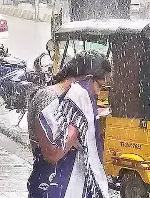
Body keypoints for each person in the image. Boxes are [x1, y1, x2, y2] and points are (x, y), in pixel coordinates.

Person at [27, 50, 111, 198]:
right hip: (51, 185)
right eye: (99, 86)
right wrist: (78, 123)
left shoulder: (72, 101)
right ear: (87, 79)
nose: (98, 93)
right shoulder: (49, 97)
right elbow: (52, 153)